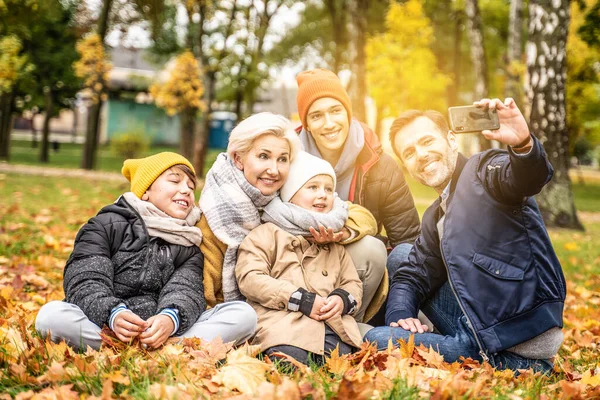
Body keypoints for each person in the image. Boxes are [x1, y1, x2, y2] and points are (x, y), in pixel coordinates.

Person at [364, 98, 566, 374]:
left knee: (373, 340)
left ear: (451, 140)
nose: (420, 155)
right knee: (401, 257)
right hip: (479, 325)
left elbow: (526, 177)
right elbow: (412, 274)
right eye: (409, 152)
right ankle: (429, 338)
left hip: (517, 339)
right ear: (408, 168)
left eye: (427, 142)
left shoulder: (484, 172)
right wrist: (401, 319)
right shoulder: (436, 214)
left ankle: (517, 366)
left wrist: (522, 146)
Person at [35, 152, 256, 351]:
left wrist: (171, 318)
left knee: (243, 315)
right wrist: (113, 313)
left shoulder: (189, 242)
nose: (186, 190)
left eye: (191, 186)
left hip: (162, 329)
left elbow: (186, 289)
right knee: (51, 317)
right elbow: (86, 278)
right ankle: (151, 347)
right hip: (104, 322)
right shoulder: (105, 225)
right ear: (146, 191)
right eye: (175, 180)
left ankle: (161, 345)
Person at [198, 113, 380, 324]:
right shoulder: (220, 209)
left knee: (370, 249)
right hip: (255, 305)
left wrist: (338, 233)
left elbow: (363, 216)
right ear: (238, 158)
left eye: (282, 159)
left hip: (309, 291)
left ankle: (346, 323)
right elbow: (206, 286)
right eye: (263, 156)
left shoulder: (285, 188)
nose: (273, 170)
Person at [295, 69, 421, 322]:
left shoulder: (381, 166)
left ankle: (354, 324)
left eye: (335, 111)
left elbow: (407, 240)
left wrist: (400, 306)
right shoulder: (289, 161)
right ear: (306, 123)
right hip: (300, 267)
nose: (329, 123)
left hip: (360, 271)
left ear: (348, 113)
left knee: (379, 249)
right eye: (317, 115)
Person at [236, 151, 365, 365]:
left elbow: (352, 281)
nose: (323, 194)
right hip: (282, 324)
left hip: (330, 325)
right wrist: (299, 299)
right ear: (291, 193)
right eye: (312, 187)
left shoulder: (332, 243)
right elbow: (250, 278)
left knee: (345, 358)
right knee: (290, 358)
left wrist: (341, 299)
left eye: (329, 189)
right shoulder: (267, 233)